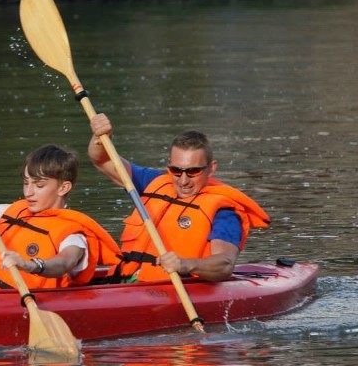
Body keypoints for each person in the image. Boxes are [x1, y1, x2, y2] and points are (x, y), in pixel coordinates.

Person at [88, 113, 270, 282]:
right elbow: (103, 160)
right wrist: (100, 138)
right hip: (125, 281)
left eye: (193, 171)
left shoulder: (224, 212)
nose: (183, 181)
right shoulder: (154, 182)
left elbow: (224, 264)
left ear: (211, 168)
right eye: (176, 170)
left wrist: (184, 264)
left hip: (174, 288)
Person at [0, 143, 121, 289]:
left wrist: (30, 265)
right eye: (26, 183)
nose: (29, 192)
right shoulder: (11, 212)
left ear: (63, 188)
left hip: (16, 302)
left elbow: (65, 262)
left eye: (39, 185)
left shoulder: (73, 236)